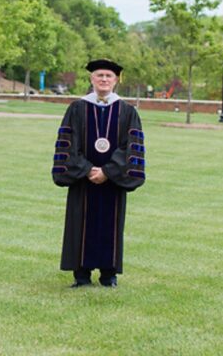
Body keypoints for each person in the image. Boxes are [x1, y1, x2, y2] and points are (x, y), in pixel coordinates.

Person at [52, 59, 146, 288]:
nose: (104, 79)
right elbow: (68, 143)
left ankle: (108, 275)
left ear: (116, 80)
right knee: (80, 224)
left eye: (108, 76)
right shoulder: (77, 108)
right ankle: (81, 276)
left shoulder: (127, 111)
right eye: (99, 75)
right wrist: (86, 169)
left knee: (110, 225)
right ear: (91, 79)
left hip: (112, 182)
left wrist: (107, 171)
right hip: (82, 181)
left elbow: (130, 146)